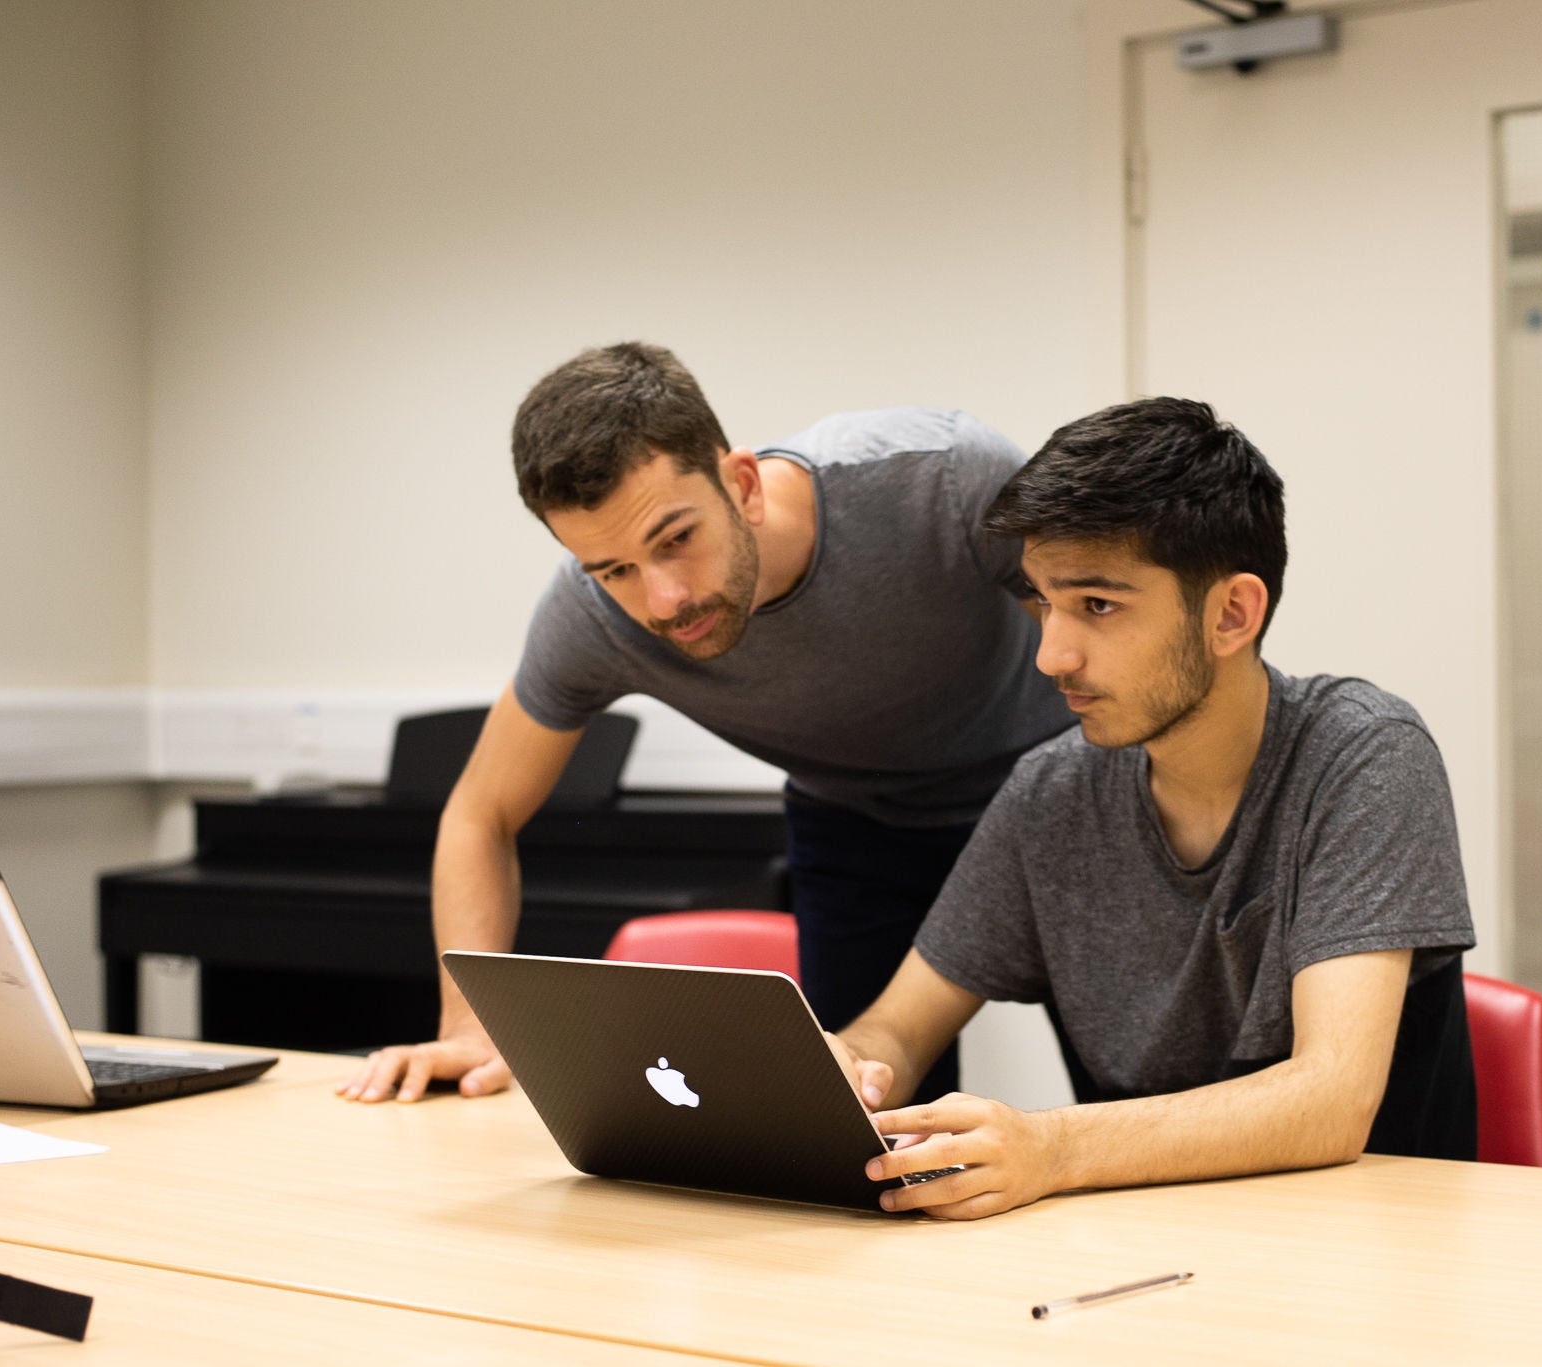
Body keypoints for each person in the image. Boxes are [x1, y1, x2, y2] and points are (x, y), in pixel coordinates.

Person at [338, 342, 1071, 1105]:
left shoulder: (943, 476)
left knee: (1129, 1099)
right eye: (614, 569)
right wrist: (467, 1028)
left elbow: (1104, 648)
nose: (662, 599)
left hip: (1057, 800)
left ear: (742, 483)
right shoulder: (589, 619)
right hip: (858, 826)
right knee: (858, 1127)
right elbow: (479, 812)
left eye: (675, 539)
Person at [826, 396, 1478, 1219]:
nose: (1051, 655)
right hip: (1139, 1255)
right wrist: (848, 1062)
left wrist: (1052, 1146)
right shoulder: (1051, 792)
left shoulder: (1365, 755)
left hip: (1370, 1257)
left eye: (1097, 605)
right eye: (1042, 603)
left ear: (1232, 614)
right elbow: (899, 1030)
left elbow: (1330, 1099)